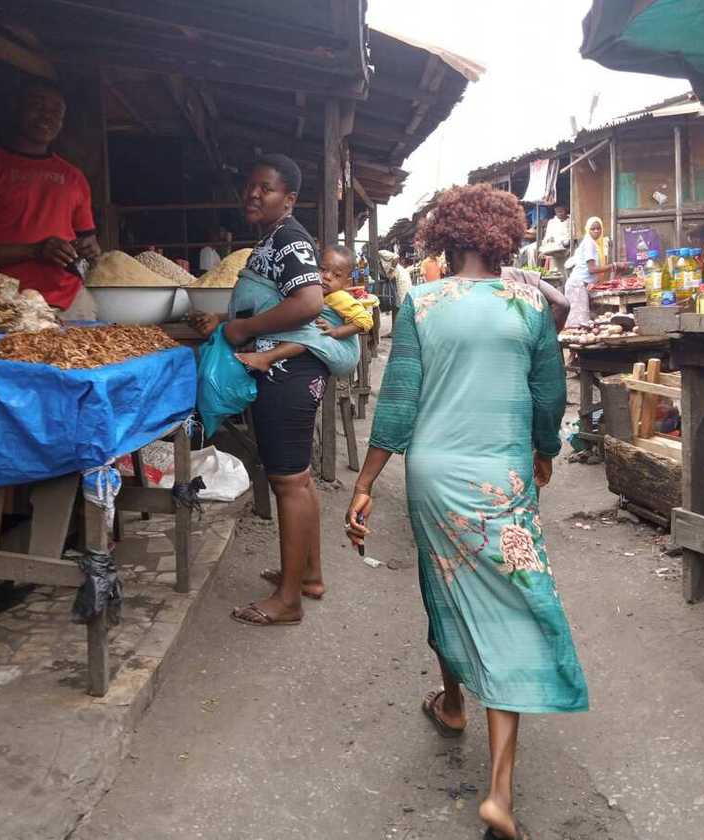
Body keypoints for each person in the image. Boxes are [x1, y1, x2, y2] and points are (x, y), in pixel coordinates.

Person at [345, 184, 589, 840]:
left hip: (434, 480)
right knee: (515, 601)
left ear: (445, 237)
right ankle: (500, 795)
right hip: (501, 486)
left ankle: (452, 703)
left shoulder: (423, 303)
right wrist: (543, 452)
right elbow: (548, 396)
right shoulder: (530, 303)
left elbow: (396, 404)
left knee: (445, 586)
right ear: (506, 238)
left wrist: (366, 483)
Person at [190, 155, 330, 625]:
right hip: (289, 369)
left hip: (285, 372)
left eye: (265, 188)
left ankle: (288, 602)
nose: (253, 194)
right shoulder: (273, 240)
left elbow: (309, 302)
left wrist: (243, 327)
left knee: (288, 483)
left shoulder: (289, 239)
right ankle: (308, 576)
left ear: (288, 199)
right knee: (300, 480)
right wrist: (232, 323)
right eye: (249, 186)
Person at [0, 79, 101, 320]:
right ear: (18, 109)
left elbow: (90, 243)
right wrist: (35, 250)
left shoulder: (73, 176)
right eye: (38, 106)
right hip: (4, 303)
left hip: (71, 302)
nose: (47, 116)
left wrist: (90, 249)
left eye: (56, 111)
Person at [234, 244, 372, 372]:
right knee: (299, 325)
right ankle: (257, 344)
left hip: (345, 353)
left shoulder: (339, 297)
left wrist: (337, 331)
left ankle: (267, 357)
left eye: (336, 275)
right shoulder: (314, 292)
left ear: (346, 283)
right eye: (323, 269)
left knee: (306, 333)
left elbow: (366, 320)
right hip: (333, 346)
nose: (327, 277)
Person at [564, 216, 625, 327]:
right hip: (577, 285)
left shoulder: (596, 244)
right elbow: (591, 269)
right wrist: (614, 266)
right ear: (588, 230)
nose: (596, 231)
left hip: (581, 285)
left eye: (598, 228)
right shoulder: (589, 243)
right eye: (593, 229)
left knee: (582, 321)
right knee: (578, 323)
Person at [538, 204, 574, 277]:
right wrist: (549, 240)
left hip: (566, 251)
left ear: (566, 210)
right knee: (555, 273)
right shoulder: (552, 222)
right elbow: (547, 237)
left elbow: (572, 237)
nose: (559, 214)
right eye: (557, 212)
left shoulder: (571, 222)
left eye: (561, 211)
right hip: (553, 252)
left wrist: (565, 243)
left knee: (566, 273)